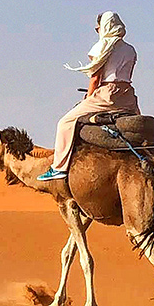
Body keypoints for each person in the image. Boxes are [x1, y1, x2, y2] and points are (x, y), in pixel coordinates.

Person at [38, 11, 138, 183]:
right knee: (140, 128)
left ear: (104, 27)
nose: (97, 31)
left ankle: (59, 168)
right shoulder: (130, 50)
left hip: (107, 95)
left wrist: (88, 98)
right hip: (128, 96)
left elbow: (96, 79)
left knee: (65, 123)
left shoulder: (102, 46)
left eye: (97, 28)